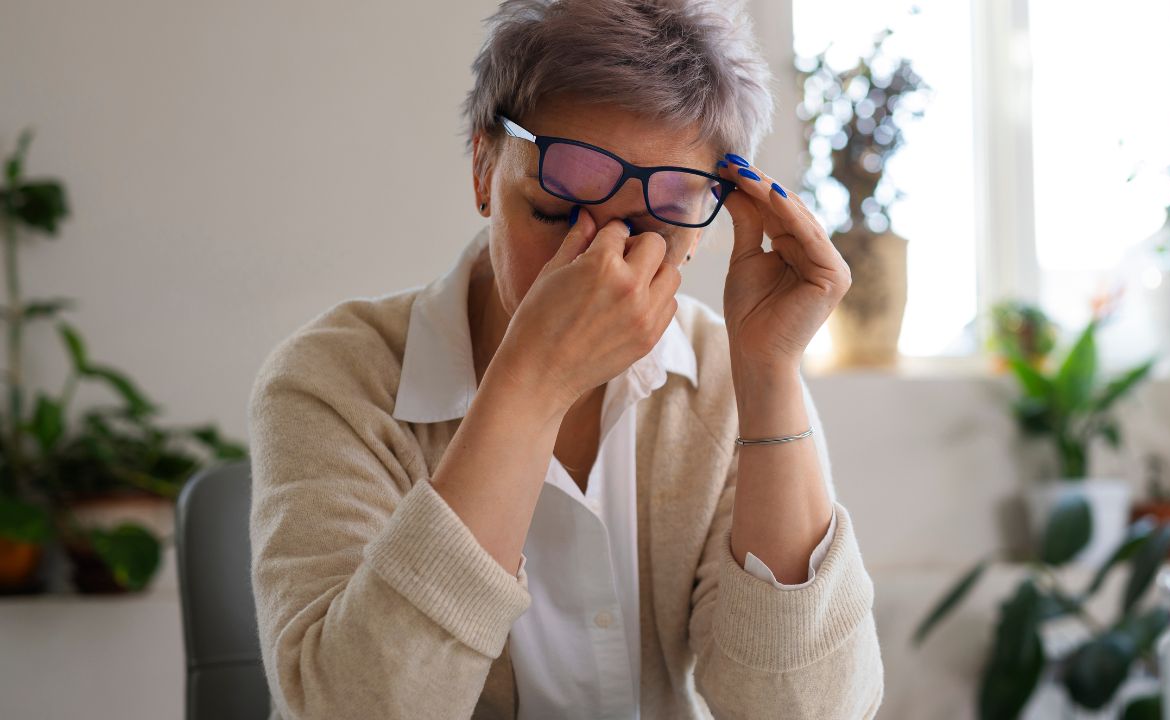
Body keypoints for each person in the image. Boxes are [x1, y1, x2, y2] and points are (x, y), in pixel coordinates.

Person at [247, 1, 884, 718]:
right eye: (555, 209)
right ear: (485, 168)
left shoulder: (724, 380)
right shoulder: (334, 381)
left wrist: (770, 377)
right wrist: (530, 385)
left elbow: (804, 712)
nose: (596, 266)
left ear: (705, 220)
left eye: (650, 225)